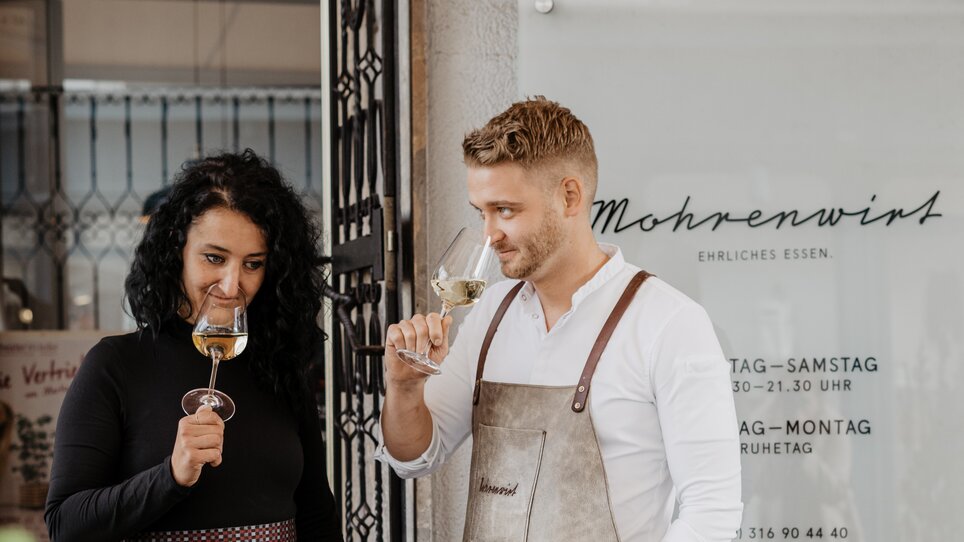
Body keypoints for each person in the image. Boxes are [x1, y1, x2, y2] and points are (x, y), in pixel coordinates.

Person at [377, 97, 743, 541]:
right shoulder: (492, 312)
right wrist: (403, 388)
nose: (489, 236)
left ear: (570, 196)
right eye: (481, 212)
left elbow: (712, 514)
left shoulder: (670, 323)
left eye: (506, 210)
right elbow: (416, 457)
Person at [45, 150, 342, 541]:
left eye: (253, 263)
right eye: (214, 258)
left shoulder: (279, 364)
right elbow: (65, 524)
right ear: (176, 252)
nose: (233, 285)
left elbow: (317, 516)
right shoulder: (116, 364)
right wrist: (171, 475)